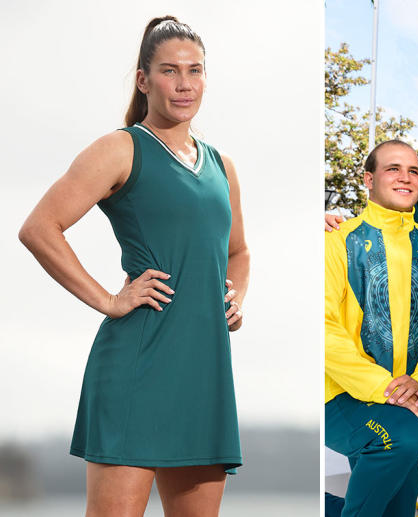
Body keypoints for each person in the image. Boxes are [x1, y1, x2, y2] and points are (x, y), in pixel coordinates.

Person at [18, 17, 248, 516]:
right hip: (138, 363)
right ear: (144, 79)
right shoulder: (120, 149)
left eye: (195, 70)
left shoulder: (221, 165)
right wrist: (108, 299)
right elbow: (39, 229)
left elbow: (237, 252)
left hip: (205, 369)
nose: (184, 83)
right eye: (170, 71)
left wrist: (236, 297)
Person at [326, 116, 418, 514]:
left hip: (407, 398)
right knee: (405, 437)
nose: (406, 176)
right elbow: (324, 332)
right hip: (340, 396)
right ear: (368, 179)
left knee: (397, 508)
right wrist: (387, 390)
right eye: (393, 168)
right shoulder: (336, 242)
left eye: (413, 169)